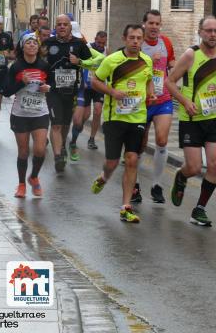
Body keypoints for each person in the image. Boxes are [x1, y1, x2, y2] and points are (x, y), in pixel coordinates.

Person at [165, 16, 216, 227]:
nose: (212, 34)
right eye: (208, 30)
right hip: (192, 119)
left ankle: (200, 209)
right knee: (194, 167)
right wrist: (185, 102)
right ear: (200, 32)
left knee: (214, 165)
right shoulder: (190, 55)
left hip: (215, 117)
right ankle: (181, 175)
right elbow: (169, 82)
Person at [90, 24, 155, 223]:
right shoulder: (113, 60)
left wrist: (151, 92)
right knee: (112, 162)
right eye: (132, 38)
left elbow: (149, 80)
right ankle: (104, 176)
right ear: (125, 39)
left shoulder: (147, 61)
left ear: (142, 40)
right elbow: (95, 80)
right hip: (114, 118)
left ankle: (126, 206)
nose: (136, 41)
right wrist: (112, 92)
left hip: (137, 118)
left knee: (132, 159)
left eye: (139, 38)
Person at [129, 10, 176, 204]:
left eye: (158, 24)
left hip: (163, 99)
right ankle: (135, 184)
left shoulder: (166, 42)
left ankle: (157, 185)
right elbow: (129, 69)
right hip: (142, 101)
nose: (154, 27)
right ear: (144, 24)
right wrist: (149, 63)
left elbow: (172, 64)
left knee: (162, 140)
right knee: (139, 145)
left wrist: (174, 70)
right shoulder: (137, 44)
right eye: (151, 23)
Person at [42, 14, 91, 172]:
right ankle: (58, 157)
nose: (62, 26)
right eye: (59, 24)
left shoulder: (79, 44)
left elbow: (93, 63)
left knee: (65, 124)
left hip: (72, 91)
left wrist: (80, 62)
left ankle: (62, 146)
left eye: (65, 24)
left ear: (70, 27)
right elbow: (37, 60)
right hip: (53, 90)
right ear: (55, 27)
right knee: (55, 124)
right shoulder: (48, 43)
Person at [4, 35, 51, 198]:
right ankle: (22, 184)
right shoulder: (16, 67)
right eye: (28, 43)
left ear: (38, 48)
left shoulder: (44, 65)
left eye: (34, 43)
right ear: (22, 48)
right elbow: (6, 91)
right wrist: (20, 83)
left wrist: (47, 88)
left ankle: (34, 176)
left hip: (40, 112)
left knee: (39, 149)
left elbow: (52, 85)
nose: (32, 45)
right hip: (20, 114)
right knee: (23, 152)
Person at [69, 31, 107, 160]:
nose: (101, 45)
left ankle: (91, 139)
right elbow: (80, 64)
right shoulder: (87, 48)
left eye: (103, 43)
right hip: (85, 86)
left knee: (97, 110)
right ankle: (75, 136)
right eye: (99, 42)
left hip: (98, 86)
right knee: (81, 119)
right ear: (94, 39)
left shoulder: (107, 51)